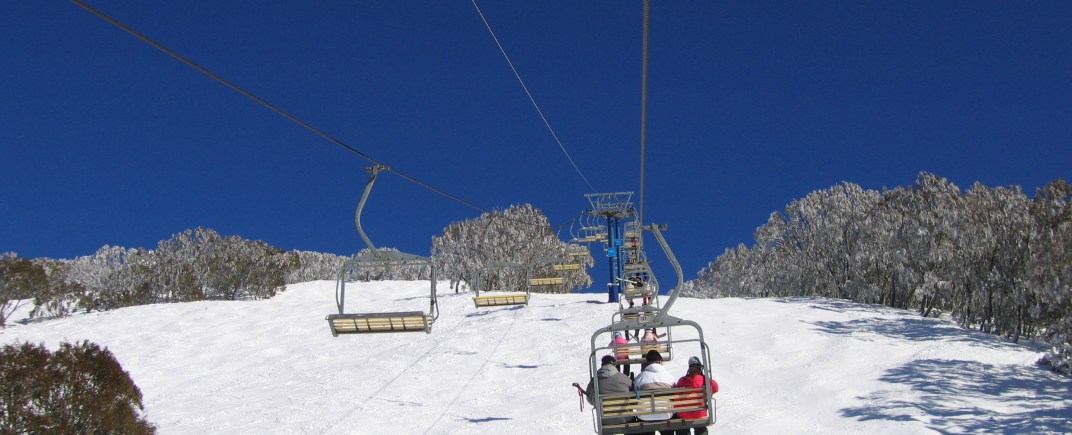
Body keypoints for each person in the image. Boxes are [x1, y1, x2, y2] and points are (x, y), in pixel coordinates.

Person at [670, 356, 719, 435]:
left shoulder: (682, 380)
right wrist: (706, 378)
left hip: (683, 414)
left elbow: (675, 395)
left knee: (681, 427)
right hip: (699, 414)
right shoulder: (704, 380)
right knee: (701, 427)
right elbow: (715, 388)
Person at [585, 355, 635, 429]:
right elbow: (634, 395)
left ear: (602, 365)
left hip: (605, 419)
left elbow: (590, 399)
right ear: (614, 365)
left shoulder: (595, 380)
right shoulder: (623, 378)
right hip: (625, 418)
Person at [633, 350, 676, 434]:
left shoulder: (640, 377)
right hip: (665, 414)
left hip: (645, 415)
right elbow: (674, 394)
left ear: (648, 362)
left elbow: (636, 396)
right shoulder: (669, 376)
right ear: (660, 361)